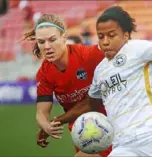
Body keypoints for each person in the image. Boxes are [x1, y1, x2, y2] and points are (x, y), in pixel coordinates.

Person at [86, 6, 152, 156]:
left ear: (125, 35)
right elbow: (91, 104)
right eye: (101, 36)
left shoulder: (137, 49)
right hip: (122, 143)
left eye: (111, 35)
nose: (105, 42)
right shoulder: (100, 71)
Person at [23, 14, 111, 157]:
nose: (47, 47)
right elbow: (41, 113)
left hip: (109, 125)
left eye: (52, 40)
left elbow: (122, 53)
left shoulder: (88, 55)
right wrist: (46, 126)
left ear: (64, 37)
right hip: (82, 133)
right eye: (41, 42)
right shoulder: (44, 73)